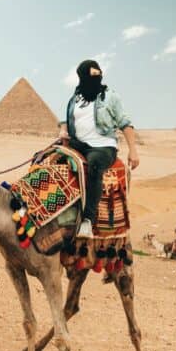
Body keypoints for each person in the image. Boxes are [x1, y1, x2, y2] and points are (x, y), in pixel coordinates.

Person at [59, 59, 140, 238]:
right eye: (92, 75)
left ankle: (87, 220)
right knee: (50, 158)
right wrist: (63, 131)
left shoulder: (110, 96)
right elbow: (66, 119)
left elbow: (125, 123)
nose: (97, 77)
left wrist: (133, 151)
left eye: (99, 74)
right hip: (78, 143)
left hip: (103, 146)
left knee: (94, 165)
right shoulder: (75, 98)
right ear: (82, 76)